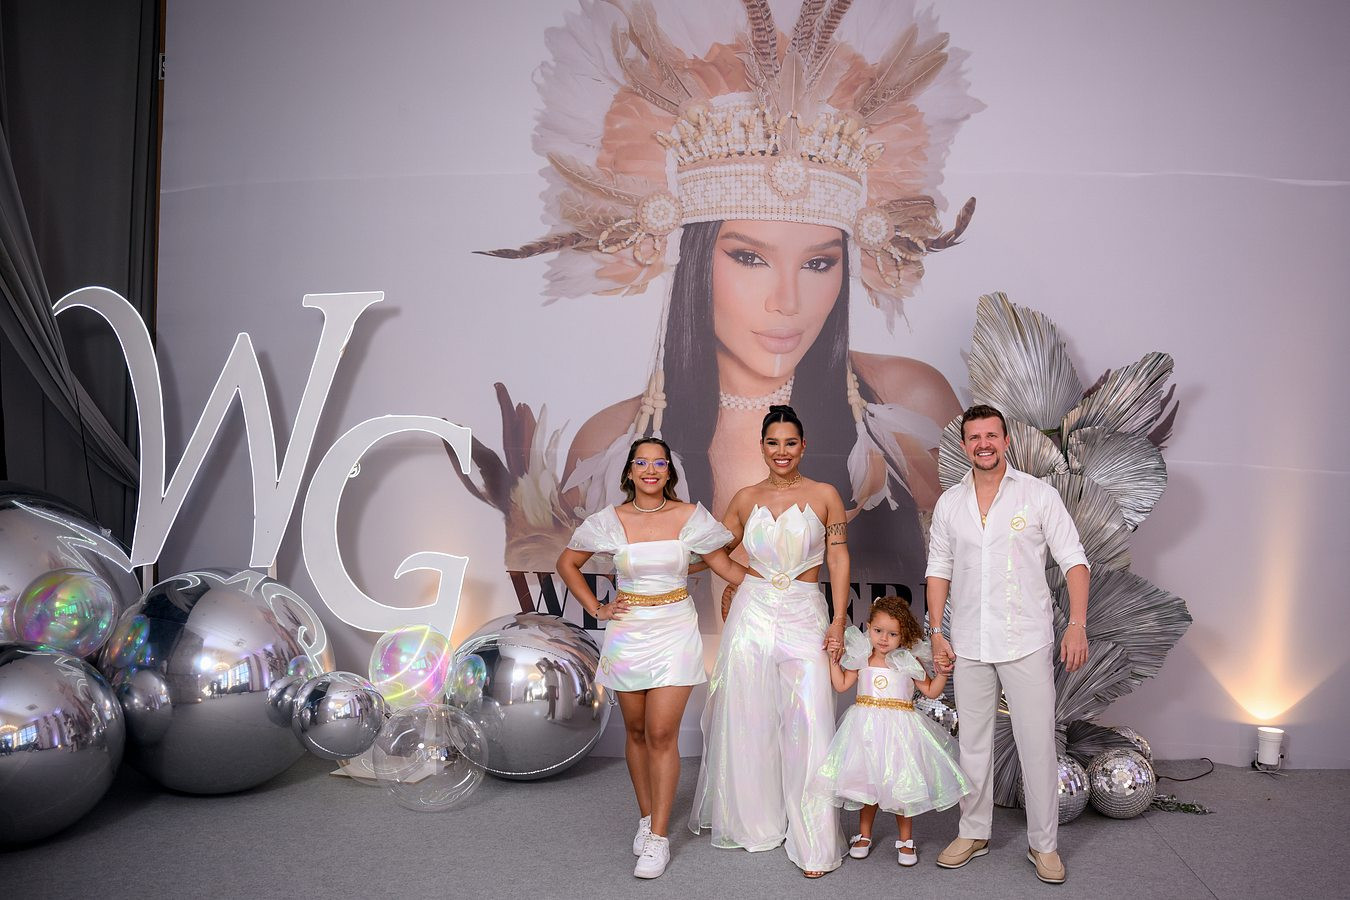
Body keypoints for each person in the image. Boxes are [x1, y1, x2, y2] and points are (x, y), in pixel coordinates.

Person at [465, 0, 981, 604]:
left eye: (818, 263)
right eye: (749, 258)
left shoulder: (908, 402)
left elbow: (975, 575)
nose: (786, 301)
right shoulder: (611, 443)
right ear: (695, 265)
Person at [557, 438, 746, 879]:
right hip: (627, 633)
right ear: (629, 471)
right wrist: (597, 608)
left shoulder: (690, 516)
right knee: (638, 731)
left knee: (662, 733)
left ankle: (659, 838)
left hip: (675, 630)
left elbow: (726, 566)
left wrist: (781, 584)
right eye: (641, 463)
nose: (650, 470)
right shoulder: (610, 520)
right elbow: (567, 563)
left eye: (659, 463)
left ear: (668, 473)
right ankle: (647, 818)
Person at [924, 404, 1091, 885]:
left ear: (1006, 441)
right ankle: (973, 833)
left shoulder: (1038, 495)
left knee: (1036, 745)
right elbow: (938, 569)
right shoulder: (950, 503)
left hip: (1026, 640)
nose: (984, 444)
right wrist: (936, 632)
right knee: (973, 745)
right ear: (964, 446)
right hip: (969, 641)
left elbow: (1075, 561)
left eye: (991, 436)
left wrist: (1077, 624)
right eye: (974, 437)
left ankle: (1044, 846)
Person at [689, 405, 848, 877]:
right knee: (748, 719)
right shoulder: (744, 498)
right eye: (773, 443)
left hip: (806, 612)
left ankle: (814, 841)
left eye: (790, 442)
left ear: (803, 445)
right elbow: (714, 549)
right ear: (761, 446)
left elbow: (838, 559)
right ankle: (756, 825)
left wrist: (839, 620)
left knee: (811, 722)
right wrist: (741, 581)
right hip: (752, 615)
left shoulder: (825, 495)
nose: (782, 451)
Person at [810, 596, 971, 867]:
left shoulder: (908, 661)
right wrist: (833, 661)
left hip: (899, 735)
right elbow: (841, 685)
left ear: (903, 635)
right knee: (867, 785)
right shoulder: (861, 658)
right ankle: (864, 835)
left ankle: (906, 840)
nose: (884, 639)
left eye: (893, 634)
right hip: (865, 732)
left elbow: (931, 691)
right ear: (869, 626)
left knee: (901, 787)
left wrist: (943, 673)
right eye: (878, 630)